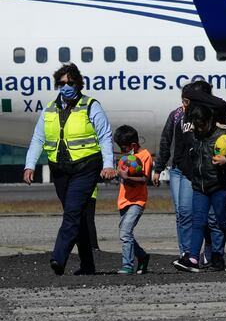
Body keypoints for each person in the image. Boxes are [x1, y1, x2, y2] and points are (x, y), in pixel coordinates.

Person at [23, 63, 116, 275]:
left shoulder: (91, 105)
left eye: (70, 83)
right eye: (62, 83)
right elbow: (38, 138)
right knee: (77, 216)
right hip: (60, 170)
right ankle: (87, 265)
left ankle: (59, 257)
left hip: (86, 167)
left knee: (72, 213)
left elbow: (104, 136)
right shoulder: (49, 109)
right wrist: (30, 165)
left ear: (78, 84)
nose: (66, 87)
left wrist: (109, 164)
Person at [173, 104, 226, 272]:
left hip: (219, 187)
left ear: (209, 121)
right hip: (200, 187)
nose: (199, 129)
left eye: (202, 125)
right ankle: (192, 259)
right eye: (196, 126)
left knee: (222, 222)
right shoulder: (195, 136)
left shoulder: (223, 135)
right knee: (198, 222)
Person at [152, 85, 195, 257]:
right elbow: (165, 141)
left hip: (194, 170)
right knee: (180, 213)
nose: (184, 104)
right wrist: (158, 168)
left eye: (187, 101)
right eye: (183, 101)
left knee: (189, 212)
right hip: (176, 169)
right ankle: (184, 252)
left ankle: (199, 250)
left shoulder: (201, 115)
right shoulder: (176, 115)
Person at [113, 125, 152, 275]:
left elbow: (144, 179)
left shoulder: (145, 156)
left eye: (123, 148)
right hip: (124, 200)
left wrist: (127, 177)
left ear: (133, 145)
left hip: (137, 201)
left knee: (125, 232)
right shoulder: (125, 158)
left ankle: (127, 265)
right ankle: (142, 256)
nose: (122, 151)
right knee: (126, 232)